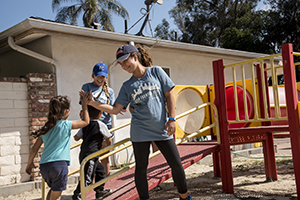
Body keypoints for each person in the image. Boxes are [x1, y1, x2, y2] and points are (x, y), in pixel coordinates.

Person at [84, 44, 192, 200]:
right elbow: (115, 109)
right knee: (141, 168)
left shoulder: (156, 72)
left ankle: (185, 196)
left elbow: (169, 95)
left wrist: (172, 118)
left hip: (161, 128)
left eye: (125, 61)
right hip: (140, 130)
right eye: (120, 64)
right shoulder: (127, 86)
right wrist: (93, 103)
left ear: (135, 57)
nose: (123, 66)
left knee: (176, 164)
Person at [25, 94, 90, 200]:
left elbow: (34, 149)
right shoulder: (66, 125)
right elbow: (86, 122)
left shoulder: (46, 128)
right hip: (59, 165)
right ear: (66, 112)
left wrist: (29, 164)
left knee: (53, 190)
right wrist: (84, 105)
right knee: (56, 196)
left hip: (45, 166)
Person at [80, 62, 114, 177]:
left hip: (105, 125)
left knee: (105, 156)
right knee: (92, 156)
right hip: (91, 126)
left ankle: (105, 182)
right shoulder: (87, 87)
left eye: (103, 76)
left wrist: (94, 103)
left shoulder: (110, 91)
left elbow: (112, 108)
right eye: (98, 76)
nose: (100, 79)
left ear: (106, 76)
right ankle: (92, 183)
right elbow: (84, 105)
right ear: (93, 75)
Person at [72, 105, 112, 200]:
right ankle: (77, 195)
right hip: (91, 156)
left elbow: (76, 137)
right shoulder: (101, 125)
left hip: (85, 154)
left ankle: (99, 190)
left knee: (101, 171)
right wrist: (107, 147)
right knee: (87, 178)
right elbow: (109, 138)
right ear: (100, 114)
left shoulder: (85, 125)